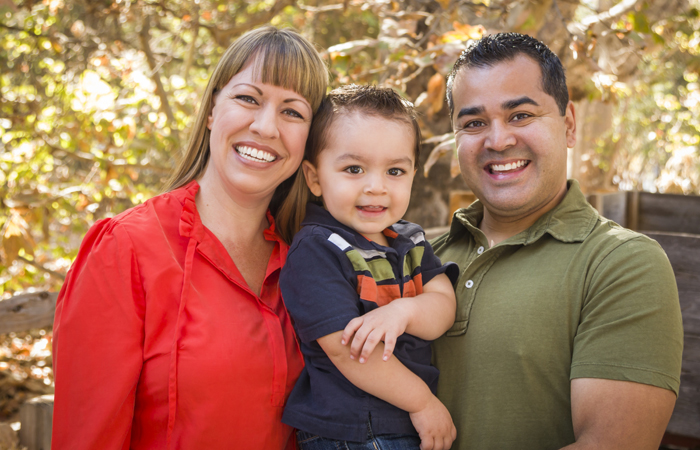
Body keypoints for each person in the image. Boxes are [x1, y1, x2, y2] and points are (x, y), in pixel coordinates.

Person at [51, 26, 328, 449]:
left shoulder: (312, 260)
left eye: (293, 112)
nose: (266, 126)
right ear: (213, 108)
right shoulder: (126, 249)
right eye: (248, 98)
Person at [430, 32, 684, 450]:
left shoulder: (620, 263)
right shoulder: (423, 257)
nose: (498, 140)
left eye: (521, 115)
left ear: (568, 125)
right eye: (474, 123)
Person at [277, 85, 459, 450]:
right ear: (315, 178)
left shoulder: (410, 240)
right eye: (354, 169)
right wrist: (421, 402)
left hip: (400, 421)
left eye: (395, 171)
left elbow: (444, 306)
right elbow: (347, 349)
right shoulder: (317, 248)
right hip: (354, 428)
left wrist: (404, 311)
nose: (376, 187)